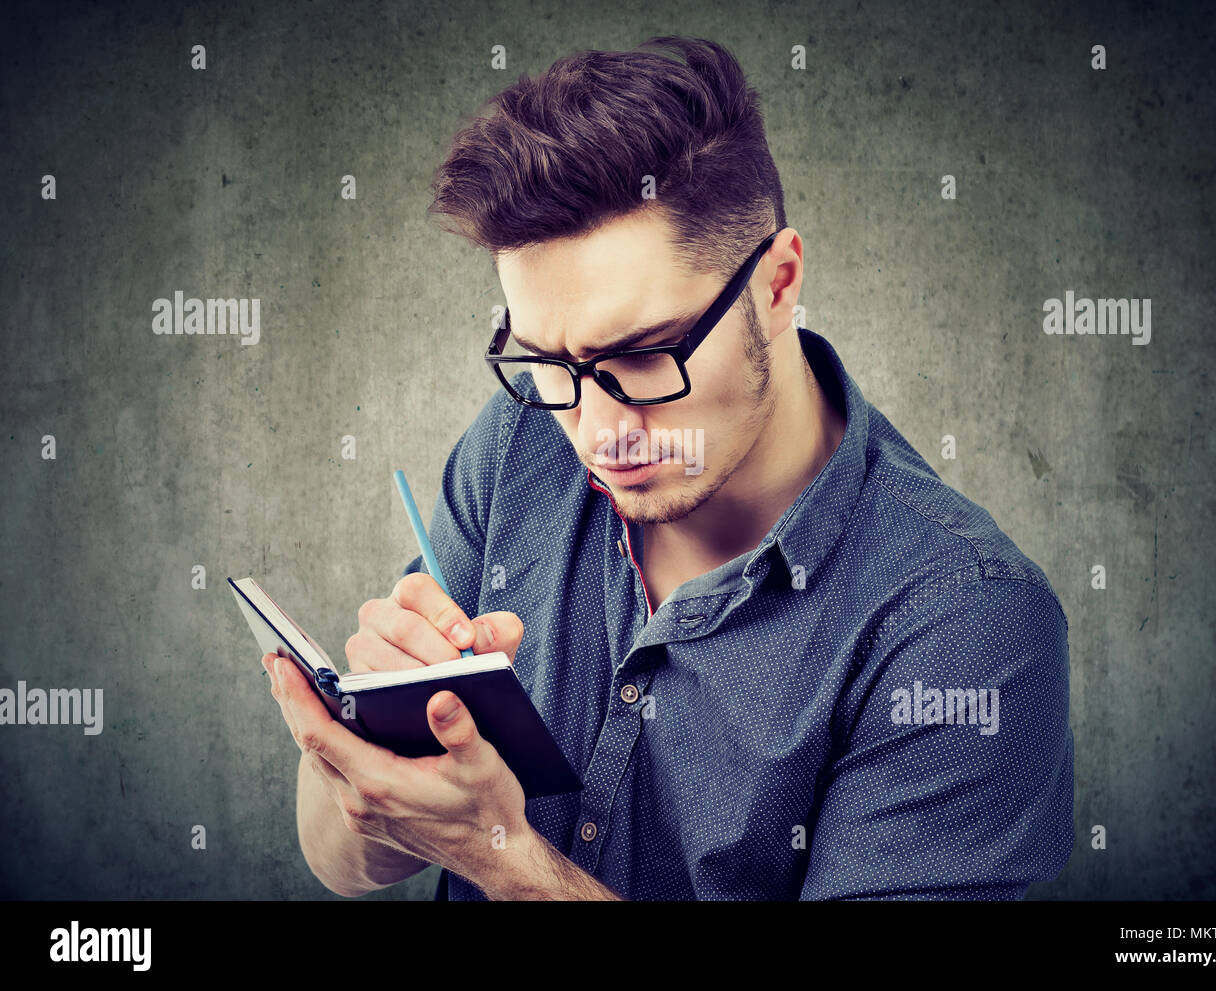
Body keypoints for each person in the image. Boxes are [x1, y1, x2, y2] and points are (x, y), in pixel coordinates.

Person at [265, 35, 1074, 900]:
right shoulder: (520, 440)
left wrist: (500, 853)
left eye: (646, 355)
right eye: (550, 364)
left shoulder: (967, 625)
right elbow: (337, 857)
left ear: (778, 282)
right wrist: (369, 767)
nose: (598, 431)